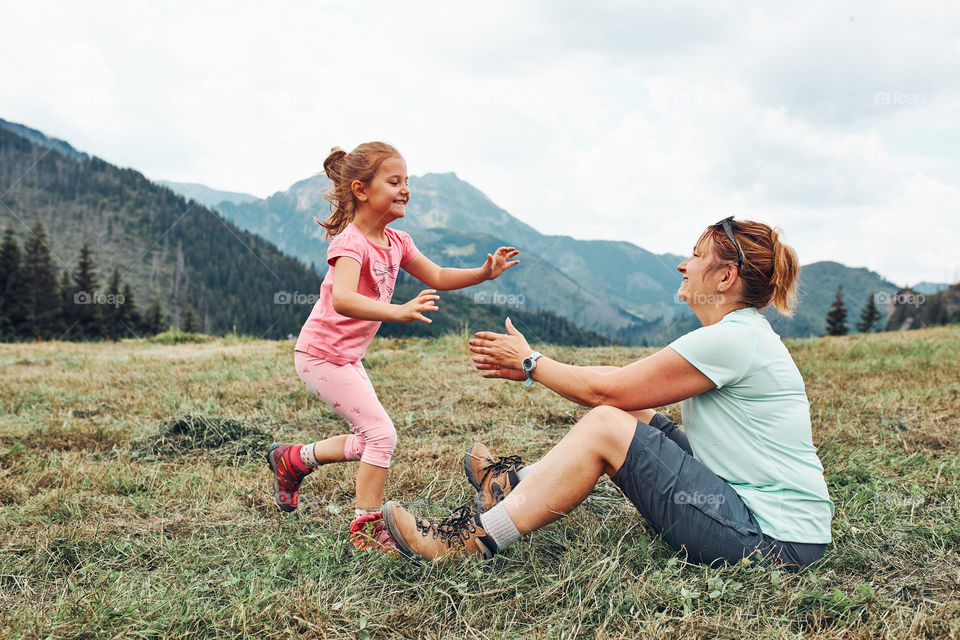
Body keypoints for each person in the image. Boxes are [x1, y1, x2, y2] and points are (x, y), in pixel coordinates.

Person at [382, 217, 834, 569]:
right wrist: (538, 367)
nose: (683, 264)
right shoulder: (742, 334)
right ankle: (511, 484)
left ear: (724, 278)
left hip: (776, 543)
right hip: (764, 519)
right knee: (632, 414)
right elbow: (626, 388)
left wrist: (532, 362)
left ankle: (473, 538)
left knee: (607, 424)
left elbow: (607, 390)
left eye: (696, 256)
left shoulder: (734, 339)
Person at [266, 142, 520, 550]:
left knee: (371, 439)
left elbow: (436, 275)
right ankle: (365, 531)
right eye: (394, 181)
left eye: (407, 182)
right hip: (320, 356)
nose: (405, 190)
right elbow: (343, 298)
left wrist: (483, 274)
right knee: (382, 435)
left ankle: (294, 459)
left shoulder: (397, 241)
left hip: (346, 357)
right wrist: (398, 311)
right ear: (361, 190)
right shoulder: (350, 243)